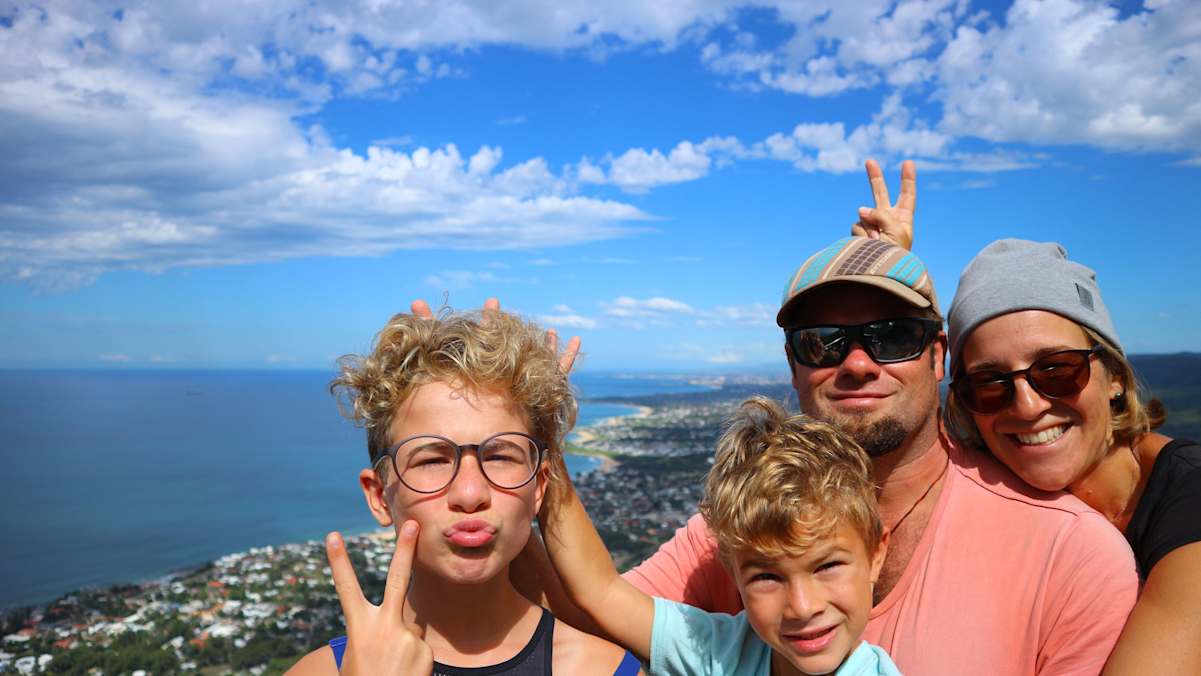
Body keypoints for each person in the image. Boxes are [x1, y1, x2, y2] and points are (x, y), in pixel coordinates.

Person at [621, 227, 1139, 674]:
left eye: (892, 338)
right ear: (793, 365)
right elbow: (591, 624)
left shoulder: (1070, 557)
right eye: (823, 342)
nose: (859, 365)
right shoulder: (743, 523)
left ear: (939, 359)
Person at [855, 161, 1201, 675]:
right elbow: (901, 413)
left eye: (1057, 371)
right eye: (990, 384)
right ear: (966, 403)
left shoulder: (1189, 504)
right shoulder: (988, 474)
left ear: (1115, 377)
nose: (1027, 405)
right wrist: (891, 280)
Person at [287, 309, 640, 675]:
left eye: (501, 456)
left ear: (539, 487)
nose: (470, 493)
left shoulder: (602, 668)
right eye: (432, 461)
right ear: (379, 495)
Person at [540, 396, 900, 675]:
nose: (803, 607)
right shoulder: (724, 650)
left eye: (827, 567)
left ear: (876, 556)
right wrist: (542, 442)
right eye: (767, 577)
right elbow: (600, 590)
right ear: (733, 574)